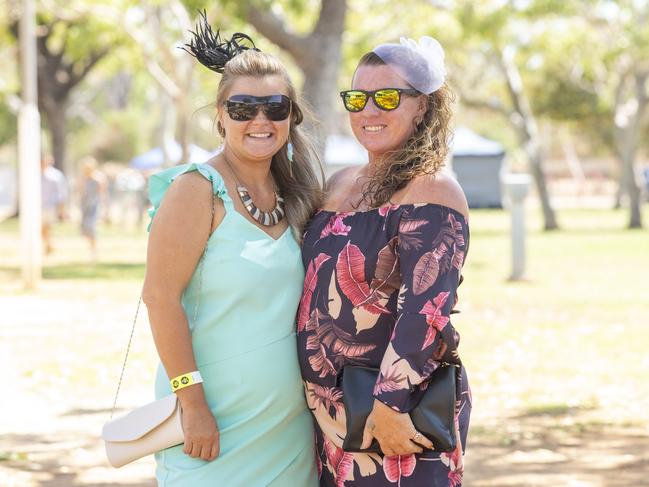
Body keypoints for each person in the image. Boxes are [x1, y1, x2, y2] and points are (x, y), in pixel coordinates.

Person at [142, 17, 322, 487]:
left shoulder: (300, 197)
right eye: (243, 108)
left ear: (291, 116)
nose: (259, 120)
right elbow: (160, 300)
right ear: (219, 116)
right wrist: (193, 404)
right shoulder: (195, 190)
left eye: (274, 106)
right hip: (211, 428)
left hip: (288, 435)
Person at [297, 36, 471, 486]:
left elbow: (425, 310)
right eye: (358, 98)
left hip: (393, 417)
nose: (369, 111)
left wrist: (390, 405)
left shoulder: (432, 190)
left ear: (423, 106)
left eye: (387, 97)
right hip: (330, 418)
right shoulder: (337, 184)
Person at [78, 157, 106, 261]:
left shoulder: (98, 178)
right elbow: (80, 192)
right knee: (84, 228)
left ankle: (94, 250)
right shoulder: (83, 178)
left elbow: (102, 194)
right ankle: (91, 247)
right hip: (84, 205)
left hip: (94, 205)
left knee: (91, 227)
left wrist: (104, 209)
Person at [41, 155, 68, 254]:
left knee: (47, 226)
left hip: (50, 206)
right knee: (42, 227)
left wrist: (62, 209)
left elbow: (61, 194)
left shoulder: (56, 175)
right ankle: (48, 244)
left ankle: (48, 244)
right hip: (39, 206)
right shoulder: (35, 174)